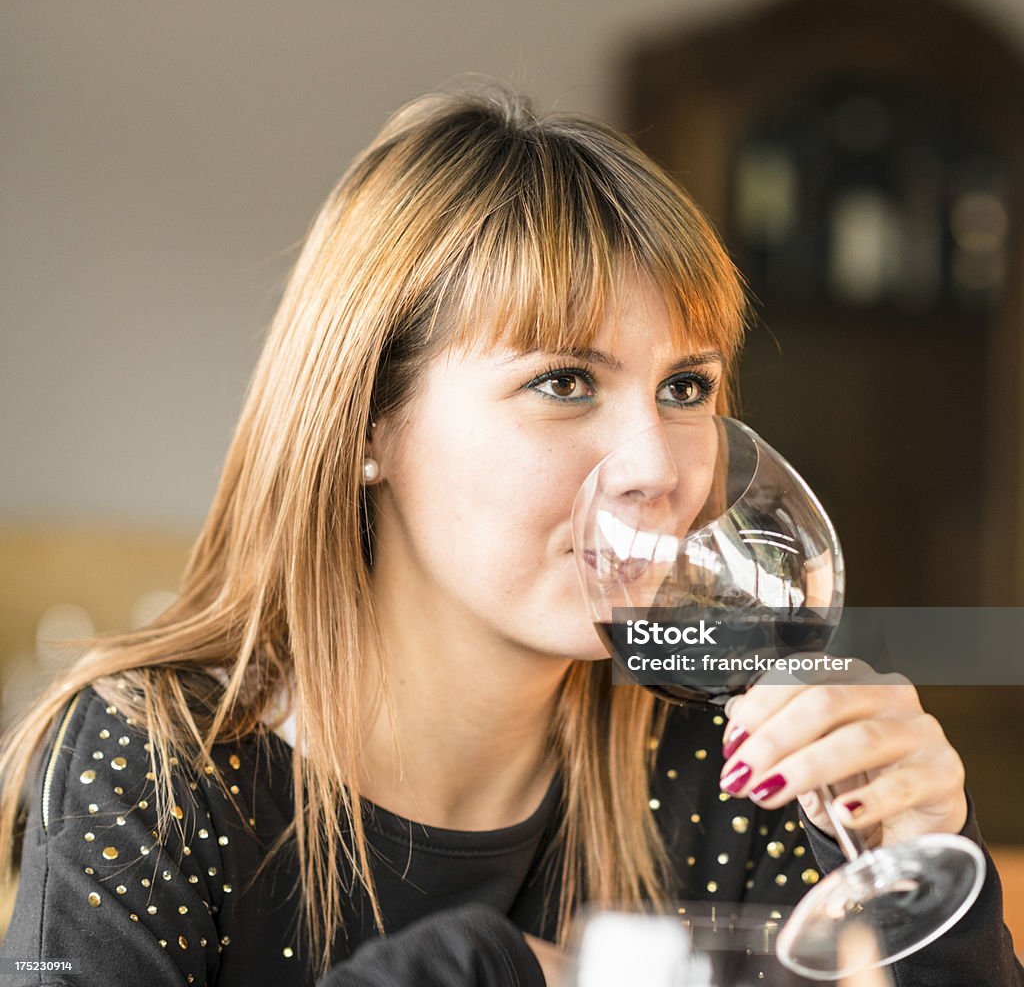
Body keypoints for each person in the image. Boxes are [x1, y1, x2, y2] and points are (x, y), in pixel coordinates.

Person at [0, 81, 1018, 987]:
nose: (661, 467)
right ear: (365, 424)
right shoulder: (154, 761)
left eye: (685, 388)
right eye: (563, 383)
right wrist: (478, 965)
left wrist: (928, 884)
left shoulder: (736, 754)